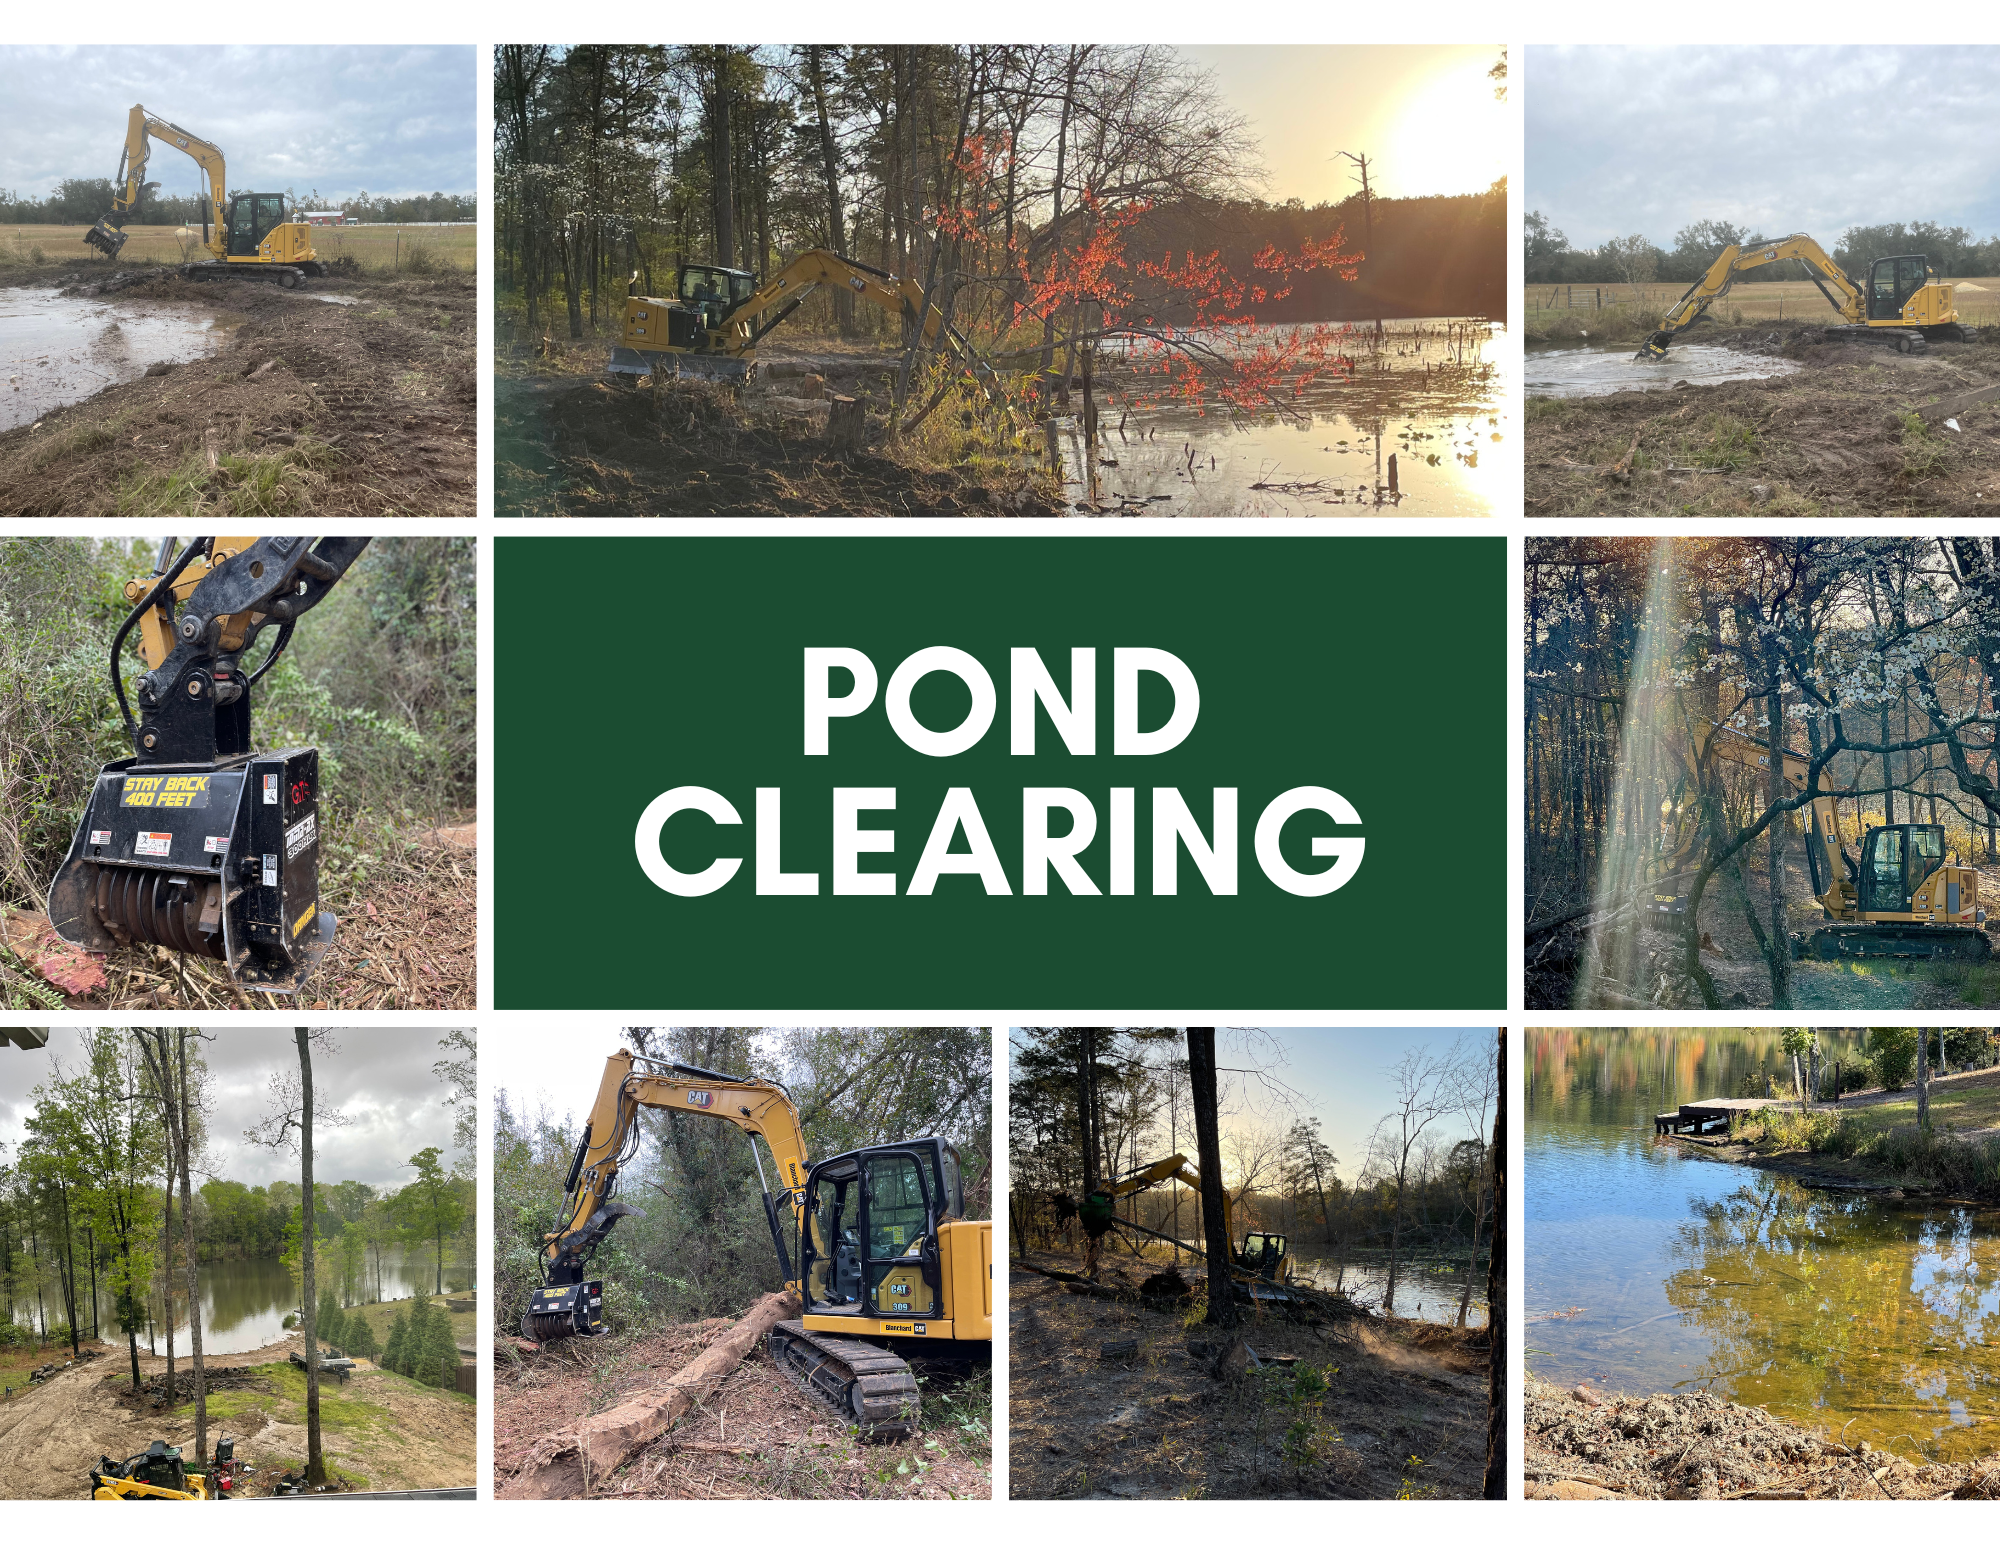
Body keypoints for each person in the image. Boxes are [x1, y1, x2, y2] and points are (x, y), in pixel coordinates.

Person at [1079, 1187, 1116, 1281]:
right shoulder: (1099, 1209)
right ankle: (1091, 1270)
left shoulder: (1095, 1208)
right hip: (1097, 1223)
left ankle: (1091, 1270)